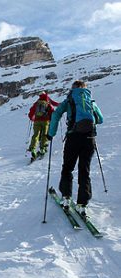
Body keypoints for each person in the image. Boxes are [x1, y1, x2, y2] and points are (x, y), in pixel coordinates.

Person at [47, 80, 103, 216]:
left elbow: (56, 114)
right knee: (84, 171)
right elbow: (100, 119)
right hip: (89, 139)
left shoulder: (69, 100)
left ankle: (66, 197)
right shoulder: (91, 101)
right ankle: (82, 204)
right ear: (85, 89)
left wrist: (51, 133)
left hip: (73, 137)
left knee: (67, 167)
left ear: (73, 88)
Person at [28, 92, 59, 161]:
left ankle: (32, 148)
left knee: (36, 134)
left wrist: (32, 118)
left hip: (36, 121)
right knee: (44, 135)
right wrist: (51, 120)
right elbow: (52, 111)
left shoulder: (37, 103)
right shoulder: (47, 103)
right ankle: (43, 148)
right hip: (45, 121)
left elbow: (31, 111)